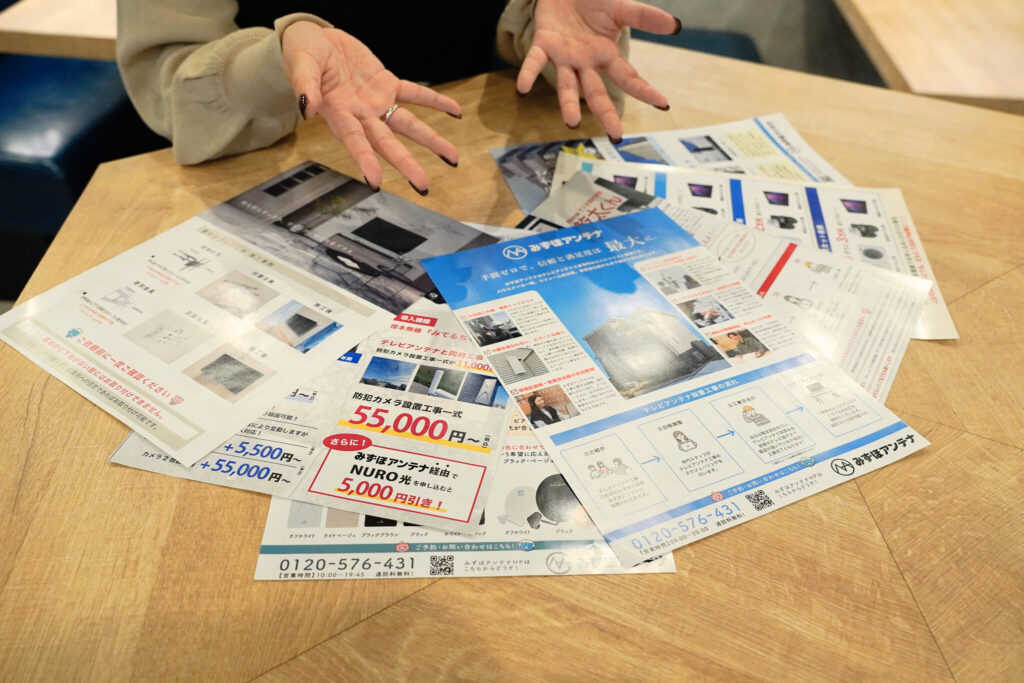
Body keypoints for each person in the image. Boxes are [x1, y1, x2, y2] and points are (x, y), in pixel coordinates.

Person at [117, 1, 680, 193]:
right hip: (255, 166)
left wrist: (546, 16)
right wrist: (279, 60)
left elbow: (587, 76)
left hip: (469, 147)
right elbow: (168, 79)